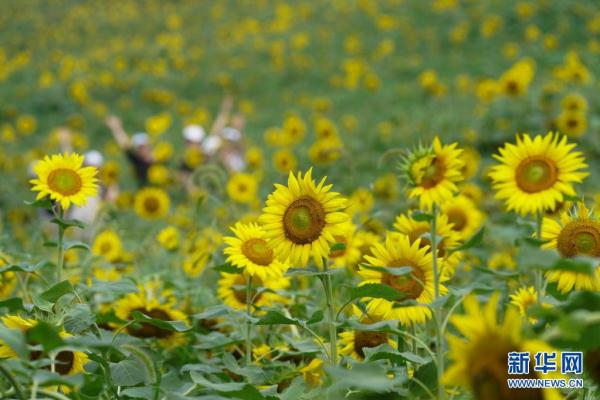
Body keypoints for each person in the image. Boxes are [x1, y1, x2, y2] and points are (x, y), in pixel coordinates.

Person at [105, 115, 154, 186]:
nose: (144, 150)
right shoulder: (139, 162)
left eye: (145, 146)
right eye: (141, 148)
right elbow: (125, 146)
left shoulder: (161, 157)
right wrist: (116, 128)